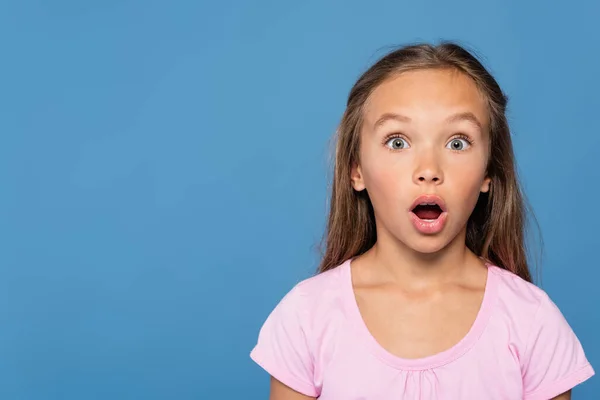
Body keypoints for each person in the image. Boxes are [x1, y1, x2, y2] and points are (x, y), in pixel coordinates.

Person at [249, 41, 595, 399]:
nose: (429, 170)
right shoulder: (306, 317)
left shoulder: (533, 322)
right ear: (356, 170)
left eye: (457, 143)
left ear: (489, 172)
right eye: (397, 142)